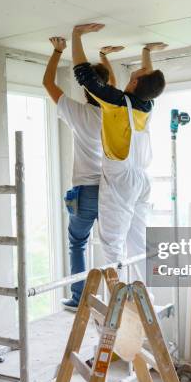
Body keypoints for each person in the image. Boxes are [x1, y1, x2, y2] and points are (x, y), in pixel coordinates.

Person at [70, 23, 167, 281]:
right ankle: (141, 292)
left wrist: (76, 35)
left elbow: (84, 75)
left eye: (140, 71)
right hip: (142, 178)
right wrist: (146, 50)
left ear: (135, 81)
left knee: (112, 243)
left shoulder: (116, 103)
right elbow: (147, 76)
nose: (141, 68)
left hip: (121, 178)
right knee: (137, 240)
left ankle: (120, 302)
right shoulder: (147, 104)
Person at [42, 36, 122, 311]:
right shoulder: (115, 113)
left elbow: (48, 84)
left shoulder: (78, 113)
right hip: (113, 191)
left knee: (77, 242)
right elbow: (111, 86)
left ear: (86, 91)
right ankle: (118, 298)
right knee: (114, 247)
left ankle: (79, 298)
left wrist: (57, 51)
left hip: (86, 192)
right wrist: (103, 57)